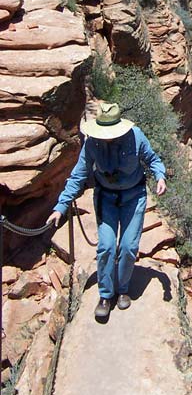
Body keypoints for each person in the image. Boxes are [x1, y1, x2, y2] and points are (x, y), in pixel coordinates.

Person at [47, 102, 166, 319]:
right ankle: (105, 294)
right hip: (106, 199)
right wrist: (61, 206)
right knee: (107, 246)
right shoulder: (92, 144)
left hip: (134, 197)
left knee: (129, 247)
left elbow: (152, 159)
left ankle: (122, 290)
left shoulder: (135, 136)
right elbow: (78, 175)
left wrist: (160, 176)